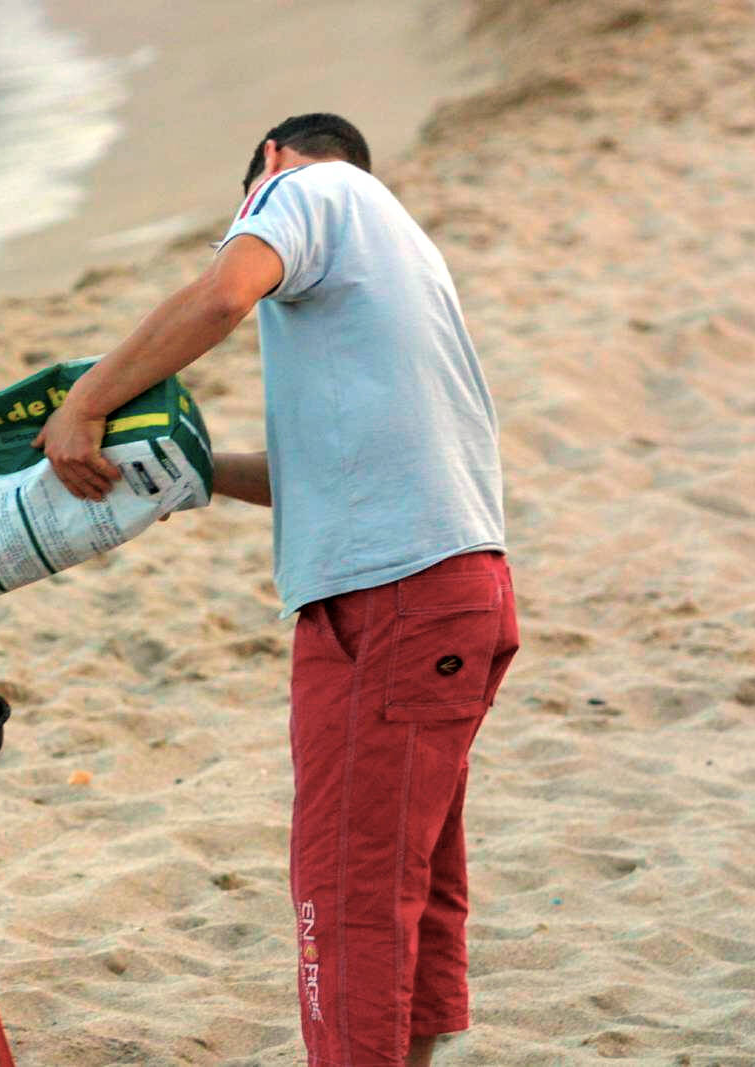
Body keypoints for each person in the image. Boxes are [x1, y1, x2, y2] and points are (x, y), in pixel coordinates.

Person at [34, 113, 520, 1066]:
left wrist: (85, 402)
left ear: (267, 164)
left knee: (346, 886)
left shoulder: (308, 187)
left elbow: (220, 297)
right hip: (461, 588)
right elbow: (318, 471)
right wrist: (195, 472)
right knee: (408, 876)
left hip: (394, 598)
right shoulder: (402, 251)